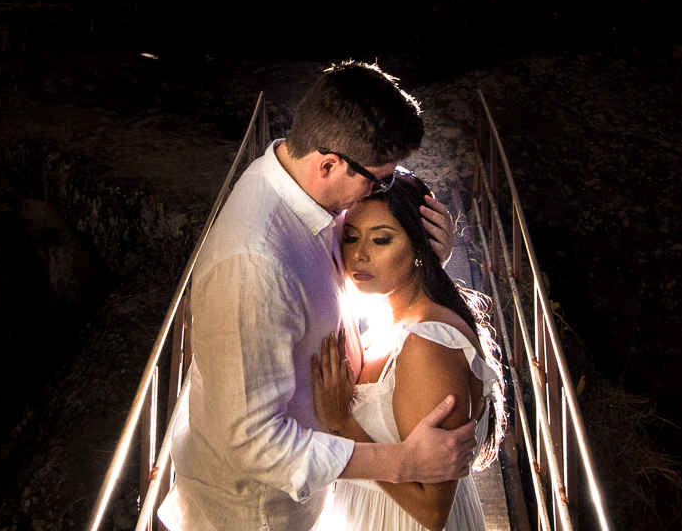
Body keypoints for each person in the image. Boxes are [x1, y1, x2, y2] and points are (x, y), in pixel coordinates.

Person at [159, 61, 475, 531]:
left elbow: (326, 289)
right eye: (375, 179)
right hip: (257, 515)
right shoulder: (254, 262)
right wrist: (401, 464)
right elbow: (253, 443)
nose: (376, 190)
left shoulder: (299, 192)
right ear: (328, 163)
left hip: (314, 496)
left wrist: (425, 261)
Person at [312, 171, 505, 531]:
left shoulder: (427, 344)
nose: (359, 255)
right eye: (350, 238)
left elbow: (432, 510)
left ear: (418, 244)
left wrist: (342, 423)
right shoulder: (393, 320)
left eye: (381, 240)